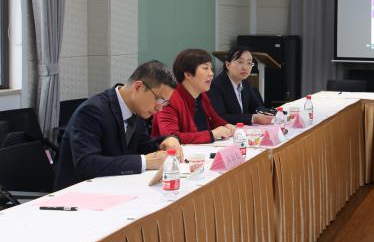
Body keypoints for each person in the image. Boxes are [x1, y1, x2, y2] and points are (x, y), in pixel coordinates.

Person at [54, 60, 183, 190]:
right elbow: (87, 164)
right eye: (159, 99)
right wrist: (145, 162)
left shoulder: (137, 110)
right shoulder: (92, 111)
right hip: (79, 193)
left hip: (115, 188)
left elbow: (142, 147)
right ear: (138, 87)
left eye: (164, 103)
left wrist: (168, 140)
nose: (160, 108)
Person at [152, 49, 235, 144]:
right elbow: (171, 137)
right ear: (188, 74)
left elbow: (214, 119)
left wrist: (226, 125)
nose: (211, 73)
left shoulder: (202, 95)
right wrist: (212, 134)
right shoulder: (169, 98)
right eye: (205, 68)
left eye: (211, 68)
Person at [207, 46, 272, 125]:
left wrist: (266, 113)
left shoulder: (245, 83)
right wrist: (252, 118)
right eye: (240, 62)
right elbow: (220, 117)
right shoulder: (216, 85)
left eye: (249, 63)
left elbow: (257, 106)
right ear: (227, 65)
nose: (245, 67)